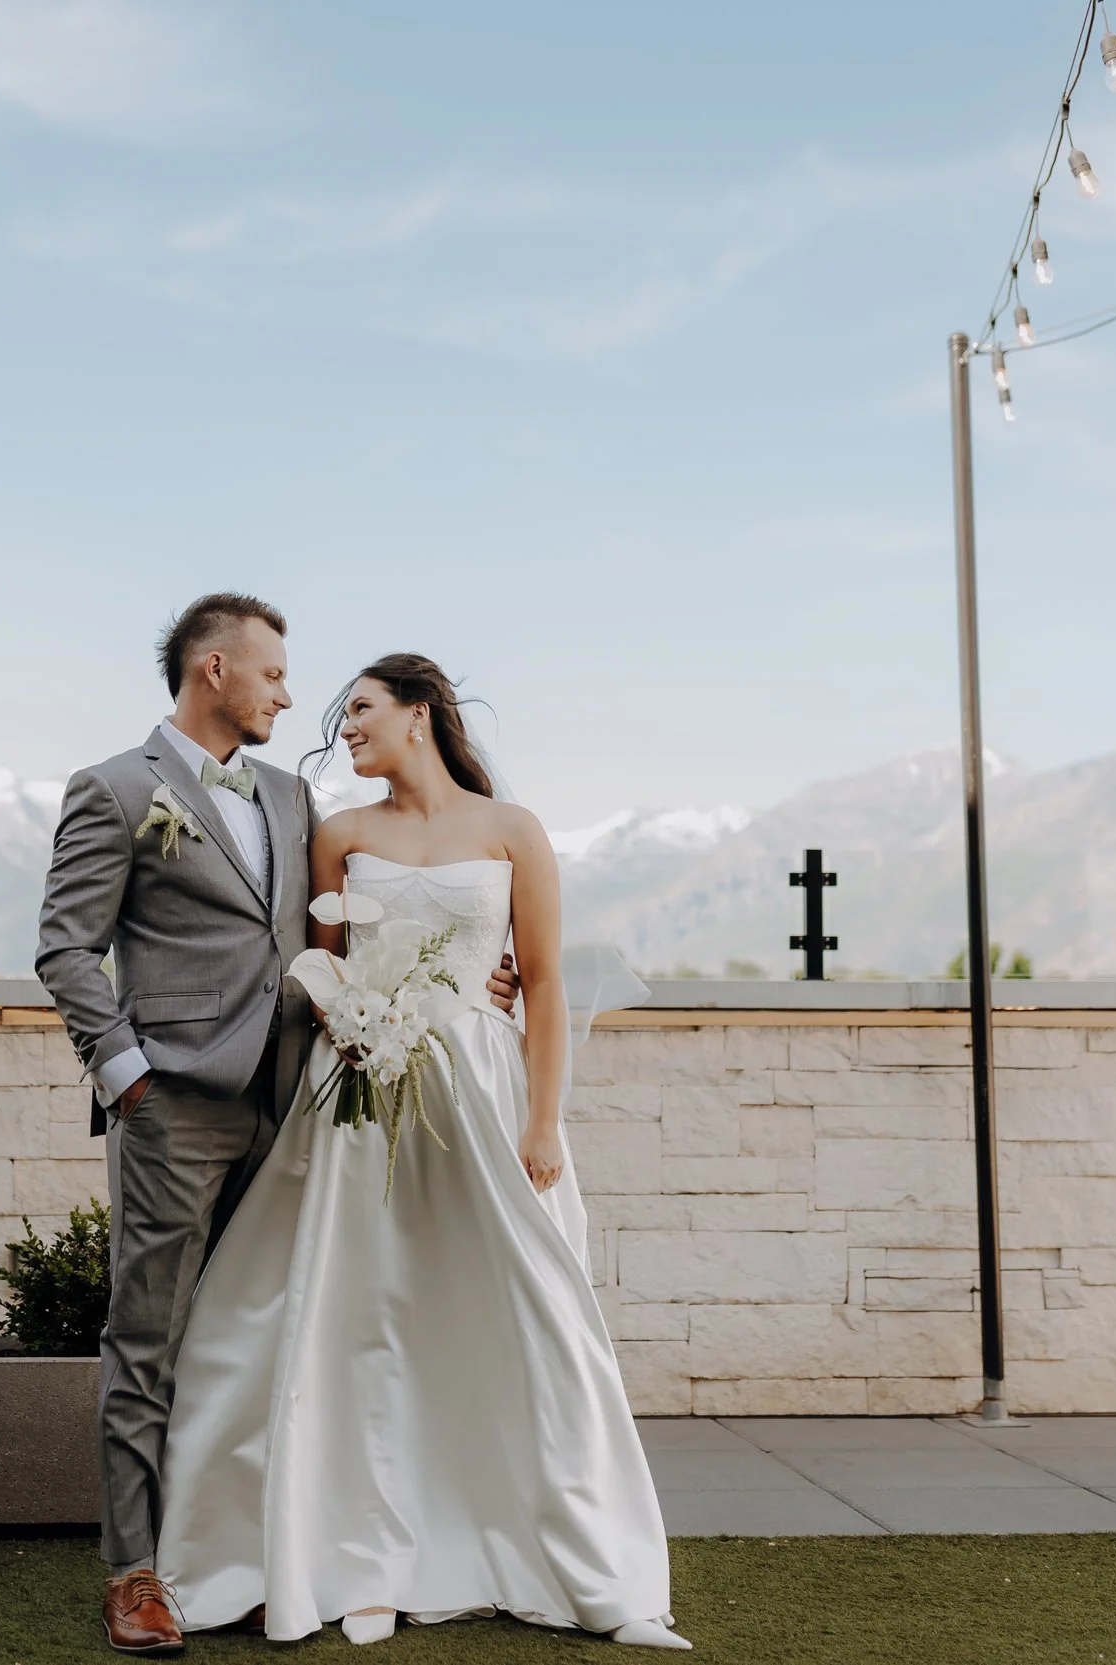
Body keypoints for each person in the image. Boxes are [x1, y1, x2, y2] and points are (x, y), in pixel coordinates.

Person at [152, 652, 686, 1649]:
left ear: (419, 711)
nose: (342, 727)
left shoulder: (511, 832)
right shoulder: (341, 834)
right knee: (358, 1319)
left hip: (483, 1095)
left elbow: (544, 987)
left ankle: (570, 1557)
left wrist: (542, 1122)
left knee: (515, 1315)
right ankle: (357, 1559)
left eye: (359, 709)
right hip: (356, 1094)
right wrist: (347, 1014)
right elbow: (315, 966)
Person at [34, 602, 520, 1656]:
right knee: (151, 1336)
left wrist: (471, 970)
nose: (289, 696)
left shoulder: (295, 798)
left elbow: (351, 926)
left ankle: (249, 1557)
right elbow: (67, 951)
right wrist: (129, 1082)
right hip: (172, 1109)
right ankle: (135, 1574)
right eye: (273, 674)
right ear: (214, 670)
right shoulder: (115, 791)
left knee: (264, 1336)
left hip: (299, 1107)